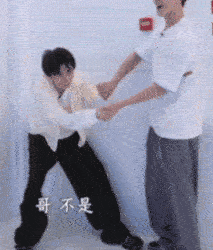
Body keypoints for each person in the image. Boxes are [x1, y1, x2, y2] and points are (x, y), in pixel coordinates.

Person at [97, 0, 205, 250]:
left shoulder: (182, 38)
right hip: (161, 125)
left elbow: (161, 88)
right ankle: (167, 242)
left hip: (178, 130)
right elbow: (137, 55)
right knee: (158, 192)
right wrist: (114, 82)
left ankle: (185, 246)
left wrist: (118, 105)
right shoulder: (163, 30)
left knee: (179, 198)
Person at [14, 48, 144, 250]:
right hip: (43, 140)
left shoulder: (77, 80)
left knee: (95, 175)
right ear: (49, 76)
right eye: (59, 74)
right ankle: (25, 241)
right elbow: (62, 119)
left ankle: (114, 231)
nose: (66, 78)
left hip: (69, 137)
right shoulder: (39, 91)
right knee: (35, 188)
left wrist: (103, 91)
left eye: (69, 71)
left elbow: (91, 94)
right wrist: (96, 114)